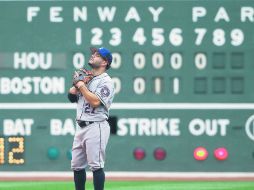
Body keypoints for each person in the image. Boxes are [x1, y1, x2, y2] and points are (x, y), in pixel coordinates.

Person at [67, 47, 115, 190]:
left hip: (96, 125)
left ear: (105, 62)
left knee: (96, 165)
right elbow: (71, 97)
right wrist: (77, 84)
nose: (93, 55)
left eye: (98, 55)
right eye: (93, 53)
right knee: (76, 166)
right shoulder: (87, 77)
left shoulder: (106, 82)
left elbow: (95, 102)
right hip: (80, 126)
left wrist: (81, 85)